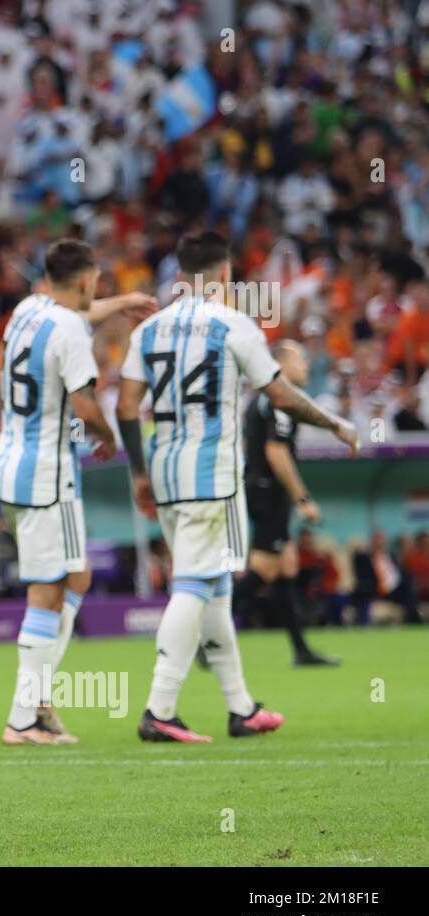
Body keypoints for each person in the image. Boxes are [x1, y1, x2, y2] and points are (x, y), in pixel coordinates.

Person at [116, 231, 359, 744]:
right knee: (194, 585)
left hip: (164, 471)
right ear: (225, 275)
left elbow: (124, 407)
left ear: (180, 276)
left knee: (218, 587)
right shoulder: (234, 325)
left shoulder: (149, 330)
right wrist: (335, 422)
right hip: (212, 474)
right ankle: (159, 709)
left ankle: (240, 707)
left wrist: (139, 472)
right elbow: (281, 393)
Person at [0, 239, 118, 745]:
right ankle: (25, 717)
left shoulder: (28, 309)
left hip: (11, 465)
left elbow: (78, 312)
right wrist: (109, 436)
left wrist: (124, 306)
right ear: (87, 282)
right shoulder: (70, 328)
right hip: (48, 474)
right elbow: (85, 405)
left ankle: (39, 701)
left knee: (76, 576)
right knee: (47, 592)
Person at [236, 339, 339, 665]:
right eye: (301, 360)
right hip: (268, 490)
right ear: (281, 365)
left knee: (286, 566)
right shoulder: (278, 400)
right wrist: (302, 498)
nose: (307, 365)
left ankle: (301, 650)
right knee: (264, 568)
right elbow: (276, 451)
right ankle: (205, 636)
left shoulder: (265, 399)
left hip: (263, 488)